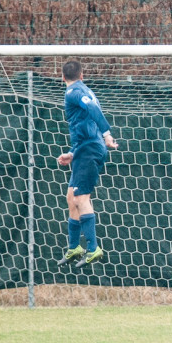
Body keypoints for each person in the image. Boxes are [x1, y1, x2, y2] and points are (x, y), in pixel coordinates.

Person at [56, 60, 118, 268]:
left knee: (81, 197)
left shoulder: (73, 92)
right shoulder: (85, 89)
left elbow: (91, 110)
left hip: (91, 148)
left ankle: (93, 249)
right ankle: (74, 247)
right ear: (82, 74)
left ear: (62, 77)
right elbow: (86, 125)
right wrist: (72, 153)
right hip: (84, 149)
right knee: (71, 196)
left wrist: (107, 134)